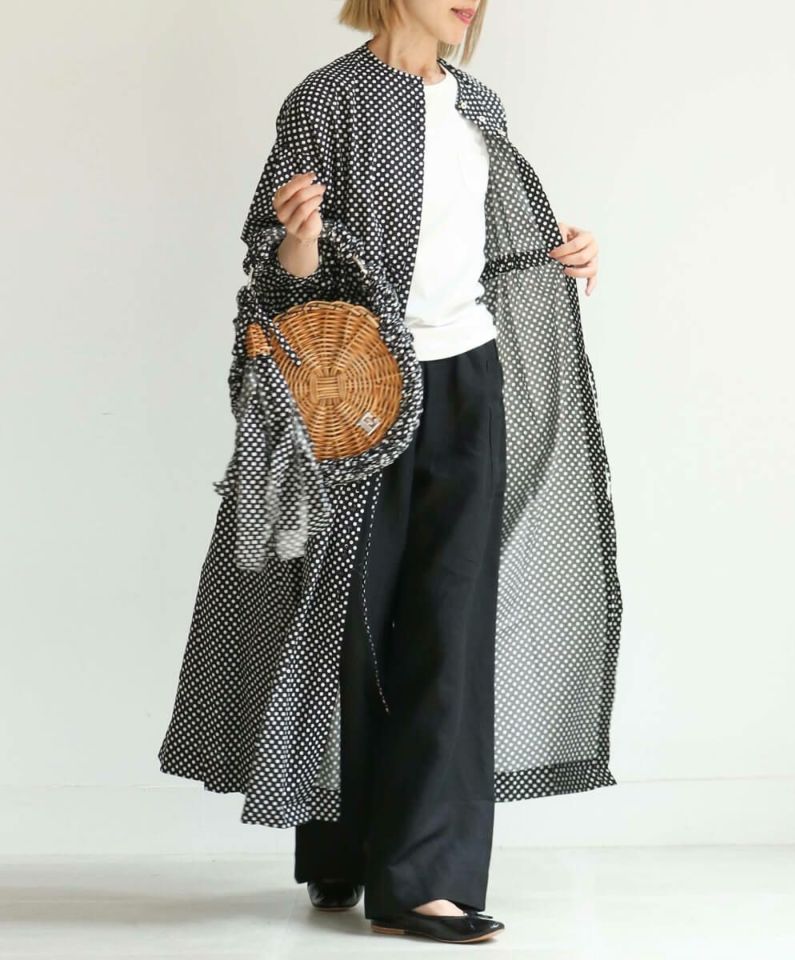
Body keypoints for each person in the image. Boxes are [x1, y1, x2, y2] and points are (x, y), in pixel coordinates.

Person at [158, 0, 620, 948]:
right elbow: (276, 271)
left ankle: (425, 880)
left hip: (470, 382)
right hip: (361, 394)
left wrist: (562, 251)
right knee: (348, 623)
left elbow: (481, 256)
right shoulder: (325, 101)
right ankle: (343, 845)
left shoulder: (479, 106)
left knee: (451, 627)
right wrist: (298, 239)